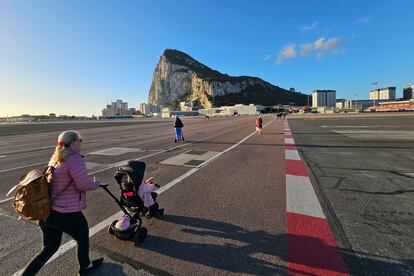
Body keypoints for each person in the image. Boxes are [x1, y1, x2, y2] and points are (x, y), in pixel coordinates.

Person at [22, 130, 103, 276]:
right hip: (65, 212)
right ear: (72, 143)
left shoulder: (55, 157)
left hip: (47, 212)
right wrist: (96, 184)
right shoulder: (74, 159)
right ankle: (85, 266)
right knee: (82, 235)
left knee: (49, 248)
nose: (81, 144)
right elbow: (82, 184)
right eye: (80, 141)